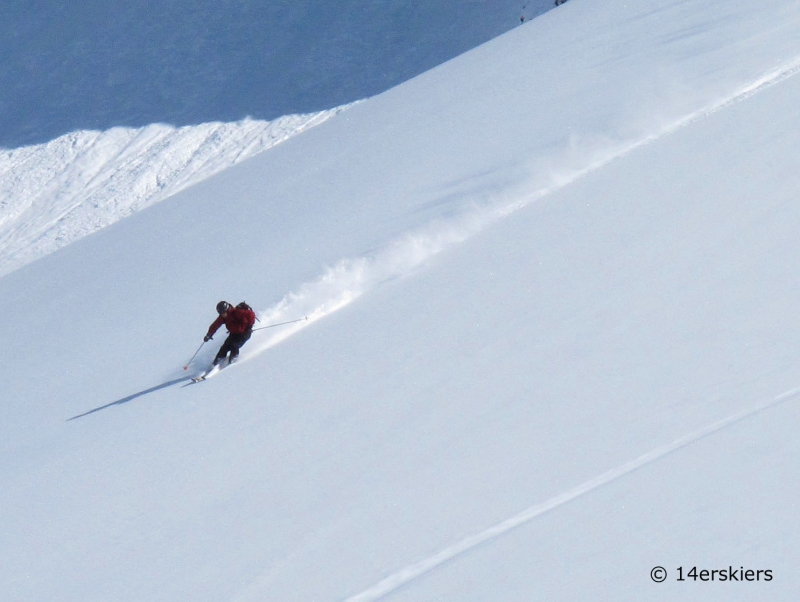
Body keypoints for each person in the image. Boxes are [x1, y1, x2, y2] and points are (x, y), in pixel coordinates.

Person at [204, 301, 257, 365]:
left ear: (227, 310)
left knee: (234, 346)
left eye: (223, 313)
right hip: (234, 334)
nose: (223, 315)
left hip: (244, 333)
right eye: (221, 313)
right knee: (224, 348)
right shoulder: (223, 317)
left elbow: (251, 315)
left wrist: (249, 327)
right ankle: (215, 363)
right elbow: (215, 325)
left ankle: (232, 361)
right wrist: (209, 334)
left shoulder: (237, 312)